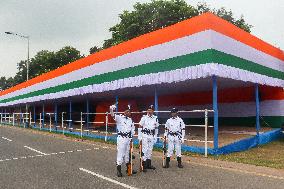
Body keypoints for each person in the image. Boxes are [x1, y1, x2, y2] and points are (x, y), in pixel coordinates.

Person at [110, 104, 136, 177]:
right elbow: (112, 115)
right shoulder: (119, 117)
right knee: (121, 154)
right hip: (121, 138)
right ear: (124, 112)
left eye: (129, 111)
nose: (128, 112)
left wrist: (131, 138)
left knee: (128, 154)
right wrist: (111, 109)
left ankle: (128, 169)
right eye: (126, 111)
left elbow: (132, 130)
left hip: (128, 139)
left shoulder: (131, 120)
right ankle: (118, 170)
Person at [138, 105, 159, 171]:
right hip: (145, 135)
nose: (149, 111)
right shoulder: (144, 118)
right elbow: (140, 126)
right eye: (148, 110)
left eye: (151, 110)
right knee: (145, 149)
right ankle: (143, 165)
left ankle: (149, 164)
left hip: (151, 135)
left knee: (150, 150)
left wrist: (155, 136)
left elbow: (156, 127)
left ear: (153, 111)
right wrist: (139, 136)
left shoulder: (155, 118)